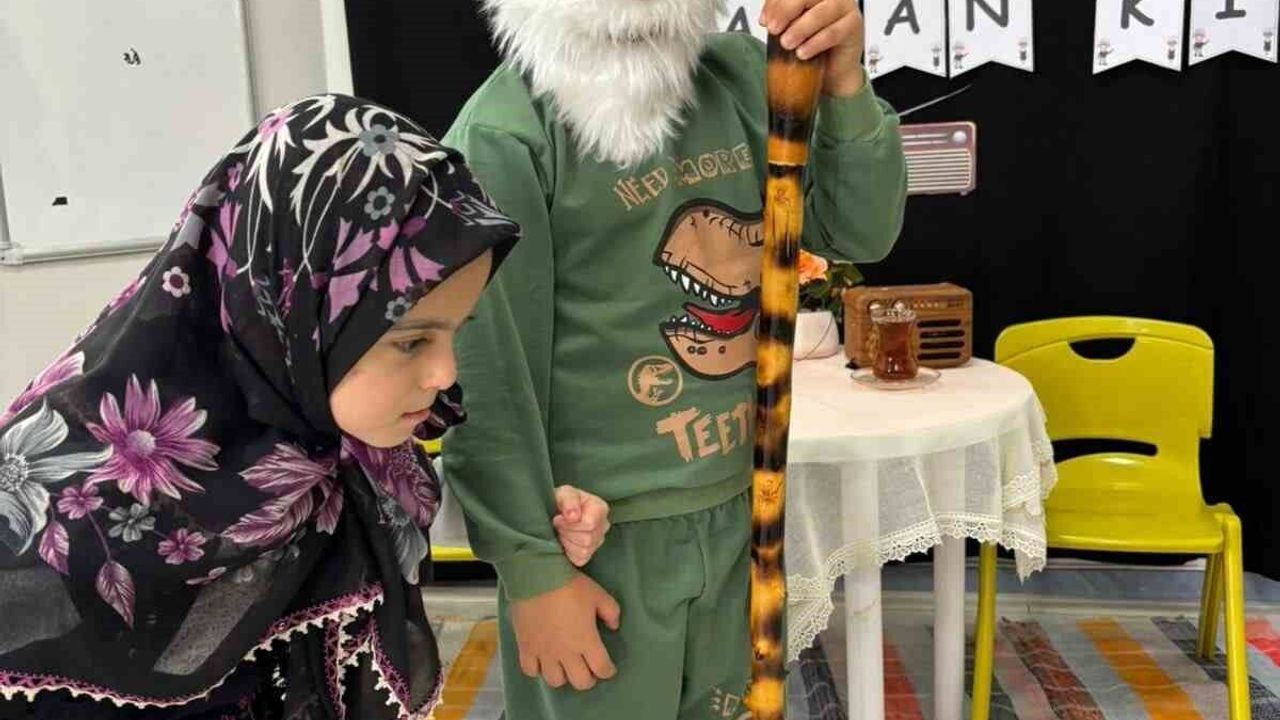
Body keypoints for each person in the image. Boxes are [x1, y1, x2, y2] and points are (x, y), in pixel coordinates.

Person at [0, 94, 607, 719]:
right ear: (292, 314)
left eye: (458, 330)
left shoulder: (327, 438)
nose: (445, 372)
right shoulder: (52, 519)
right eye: (412, 340)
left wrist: (537, 518)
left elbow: (380, 505)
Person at [441, 0, 909, 717]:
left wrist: (845, 86)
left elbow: (858, 231)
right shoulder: (506, 135)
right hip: (594, 539)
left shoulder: (747, 80)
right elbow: (486, 373)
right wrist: (532, 571)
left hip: (743, 511)